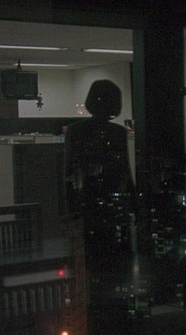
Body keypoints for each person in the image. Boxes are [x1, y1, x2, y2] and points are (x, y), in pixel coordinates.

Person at [64, 79, 135, 266]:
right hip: (113, 200)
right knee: (116, 256)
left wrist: (70, 206)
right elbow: (124, 170)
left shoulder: (75, 130)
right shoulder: (118, 132)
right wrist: (133, 202)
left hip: (87, 199)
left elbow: (69, 171)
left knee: (91, 255)